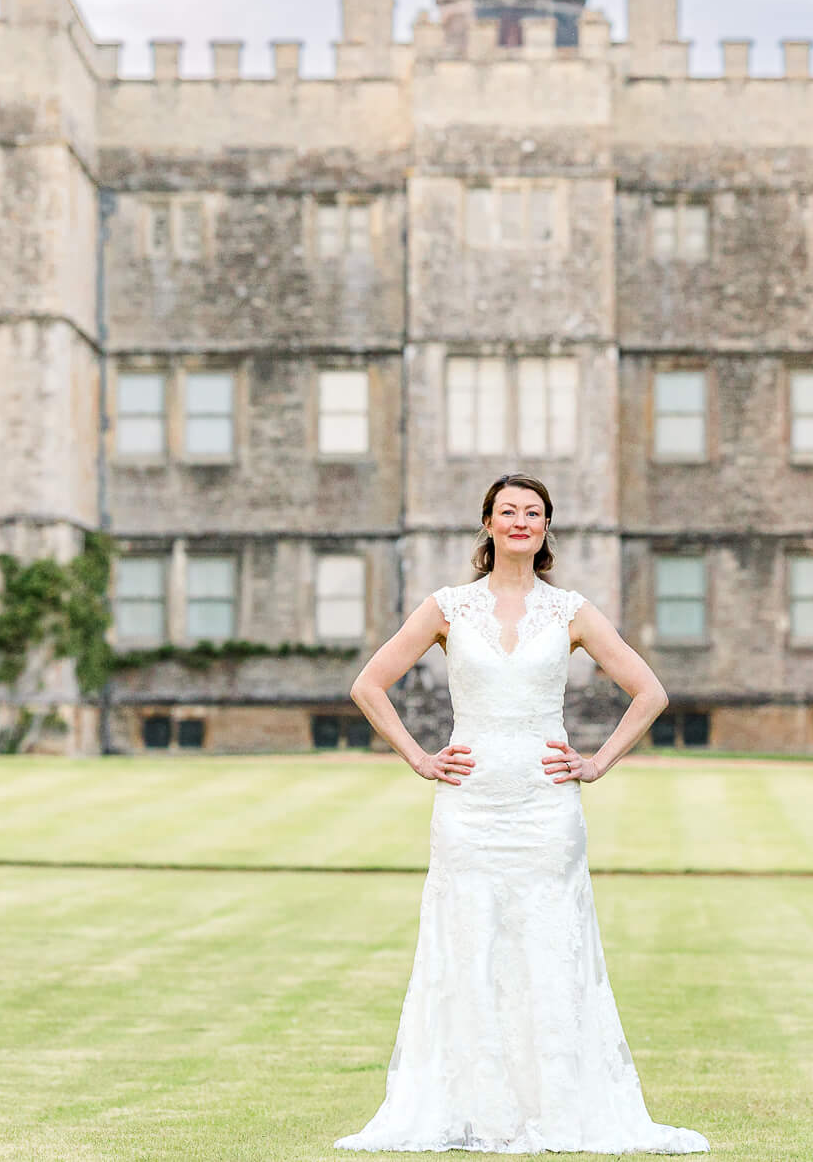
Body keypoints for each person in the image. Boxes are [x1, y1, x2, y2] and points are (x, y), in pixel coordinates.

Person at [334, 472, 709, 1154]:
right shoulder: (447, 608)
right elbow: (368, 684)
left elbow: (648, 691)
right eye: (507, 511)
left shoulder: (568, 612)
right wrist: (420, 757)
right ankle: (475, 1108)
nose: (519, 521)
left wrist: (595, 762)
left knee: (547, 947)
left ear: (544, 529)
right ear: (487, 524)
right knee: (467, 946)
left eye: (531, 512)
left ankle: (558, 1107)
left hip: (544, 809)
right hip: (469, 806)